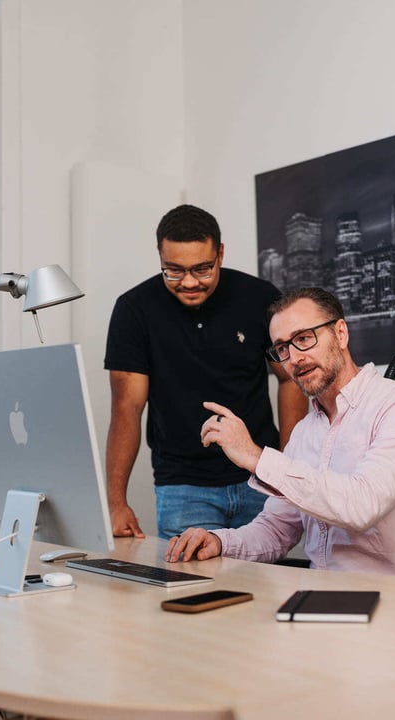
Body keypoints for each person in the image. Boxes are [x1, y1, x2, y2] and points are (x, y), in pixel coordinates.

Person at [164, 287, 395, 580]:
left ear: (340, 334)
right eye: (282, 348)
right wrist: (219, 541)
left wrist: (256, 457)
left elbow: (363, 506)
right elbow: (276, 530)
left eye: (304, 338)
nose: (294, 358)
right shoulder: (304, 433)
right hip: (326, 600)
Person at [104, 204, 307, 539]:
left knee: (267, 588)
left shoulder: (259, 298)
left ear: (220, 254)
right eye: (173, 270)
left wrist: (285, 466)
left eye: (202, 269)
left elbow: (290, 379)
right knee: (193, 588)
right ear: (159, 256)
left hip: (259, 474)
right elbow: (127, 408)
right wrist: (115, 503)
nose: (188, 282)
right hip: (183, 487)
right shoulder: (134, 310)